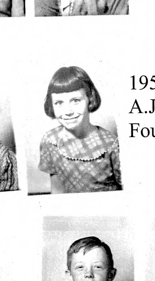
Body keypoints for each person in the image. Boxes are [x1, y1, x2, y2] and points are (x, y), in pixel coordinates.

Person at [39, 66, 122, 194]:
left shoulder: (111, 144)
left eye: (76, 101)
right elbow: (56, 189)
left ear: (90, 99)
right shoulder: (50, 141)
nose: (67, 111)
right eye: (59, 103)